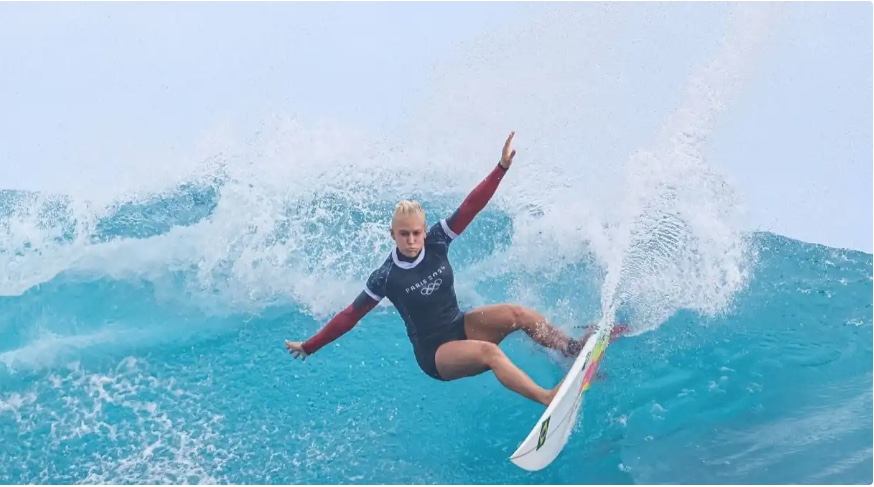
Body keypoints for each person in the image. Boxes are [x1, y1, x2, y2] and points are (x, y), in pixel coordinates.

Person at [285, 132, 594, 406]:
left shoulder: (436, 241)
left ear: (423, 231)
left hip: (459, 325)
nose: (411, 240)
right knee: (490, 353)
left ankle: (571, 348)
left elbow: (471, 206)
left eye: (415, 233)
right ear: (393, 235)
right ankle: (546, 397)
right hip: (436, 354)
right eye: (403, 234)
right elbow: (349, 316)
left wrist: (500, 169)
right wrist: (310, 346)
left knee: (518, 314)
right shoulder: (386, 276)